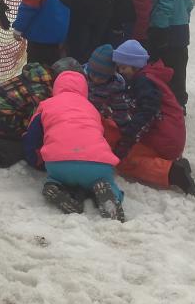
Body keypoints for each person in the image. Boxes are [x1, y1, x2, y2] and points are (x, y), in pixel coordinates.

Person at [23, 70, 125, 220]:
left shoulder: (46, 105)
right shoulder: (92, 108)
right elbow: (102, 135)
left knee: (58, 177)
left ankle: (56, 186)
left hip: (59, 163)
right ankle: (109, 195)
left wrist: (34, 160)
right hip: (98, 163)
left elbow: (32, 137)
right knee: (103, 180)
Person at [0, 59, 82, 168]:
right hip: (0, 119)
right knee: (28, 142)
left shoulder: (34, 75)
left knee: (10, 113)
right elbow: (36, 122)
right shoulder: (44, 91)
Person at [109, 40, 195, 195]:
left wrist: (128, 138)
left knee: (123, 160)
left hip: (165, 140)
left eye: (123, 67)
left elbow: (147, 112)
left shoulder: (144, 82)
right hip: (168, 137)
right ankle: (171, 163)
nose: (120, 71)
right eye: (118, 67)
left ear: (135, 66)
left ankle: (173, 173)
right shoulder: (145, 77)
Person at [149, 0, 194, 107]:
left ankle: (167, 107)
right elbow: (189, 1)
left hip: (166, 28)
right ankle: (180, 103)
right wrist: (185, 19)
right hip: (182, 27)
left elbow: (164, 4)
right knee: (179, 68)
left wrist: (159, 28)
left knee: (164, 69)